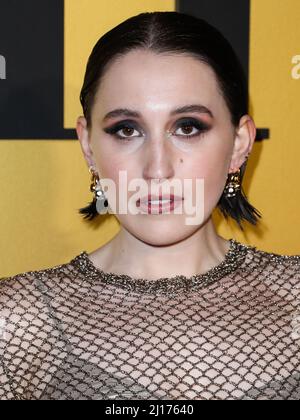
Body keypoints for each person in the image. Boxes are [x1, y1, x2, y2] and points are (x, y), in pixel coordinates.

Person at [0, 11, 299, 400]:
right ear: (89, 145)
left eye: (188, 127)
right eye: (127, 129)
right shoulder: (16, 321)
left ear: (239, 143)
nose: (157, 169)